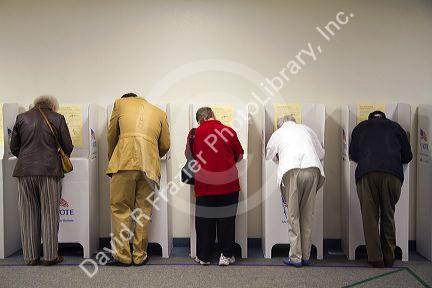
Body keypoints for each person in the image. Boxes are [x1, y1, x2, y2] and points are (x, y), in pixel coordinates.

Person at [106, 93, 170, 266]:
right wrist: (152, 154)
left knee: (120, 209)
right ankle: (140, 255)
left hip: (124, 163)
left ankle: (123, 256)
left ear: (126, 99)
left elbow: (111, 134)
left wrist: (113, 158)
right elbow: (165, 145)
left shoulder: (119, 104)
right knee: (143, 211)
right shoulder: (159, 112)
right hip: (149, 168)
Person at [10, 95, 73, 266]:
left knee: (28, 214)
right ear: (53, 106)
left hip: (25, 172)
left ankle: (30, 256)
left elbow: (14, 147)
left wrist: (26, 158)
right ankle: (50, 256)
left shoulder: (21, 118)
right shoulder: (57, 118)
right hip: (49, 171)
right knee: (49, 213)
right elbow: (68, 146)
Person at [349, 110, 412, 268]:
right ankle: (389, 257)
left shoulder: (360, 128)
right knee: (388, 215)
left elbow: (353, 155)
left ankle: (376, 258)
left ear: (369, 118)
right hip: (392, 175)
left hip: (367, 173)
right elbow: (407, 156)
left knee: (369, 217)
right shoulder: (397, 128)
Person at [266, 115, 325, 267]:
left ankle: (295, 257)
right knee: (307, 214)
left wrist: (280, 159)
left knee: (293, 216)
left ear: (280, 124)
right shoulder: (307, 129)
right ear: (294, 121)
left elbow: (268, 154)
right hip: (313, 170)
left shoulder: (278, 133)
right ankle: (306, 255)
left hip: (291, 171)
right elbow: (322, 154)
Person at [189, 107, 244, 266]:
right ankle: (225, 256)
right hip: (228, 185)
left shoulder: (194, 133)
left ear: (200, 120)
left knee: (204, 221)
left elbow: (191, 155)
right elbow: (239, 154)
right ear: (213, 115)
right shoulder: (228, 131)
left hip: (204, 185)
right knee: (226, 221)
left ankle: (204, 256)